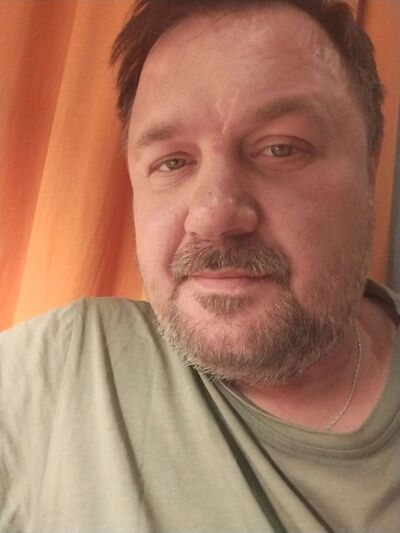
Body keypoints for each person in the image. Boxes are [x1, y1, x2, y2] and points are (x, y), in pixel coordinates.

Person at [1, 0, 399, 531]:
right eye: (172, 162)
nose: (212, 218)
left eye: (280, 149)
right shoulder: (60, 369)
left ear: (370, 165)